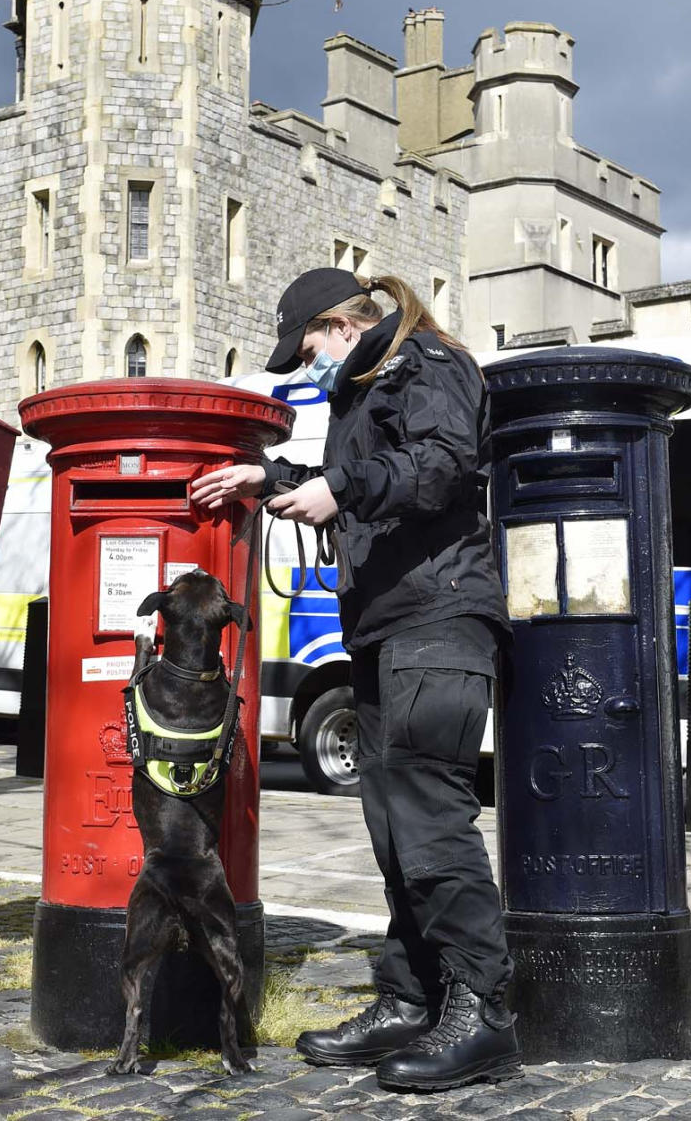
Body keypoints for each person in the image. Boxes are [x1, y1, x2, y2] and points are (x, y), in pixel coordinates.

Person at [190, 267, 521, 1092]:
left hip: (438, 620)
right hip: (384, 626)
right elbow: (374, 467)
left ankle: (484, 1013)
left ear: (342, 325)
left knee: (431, 821)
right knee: (391, 824)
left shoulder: (431, 363)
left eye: (308, 352)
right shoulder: (370, 386)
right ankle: (411, 998)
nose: (308, 370)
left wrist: (338, 487)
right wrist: (271, 479)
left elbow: (441, 464)